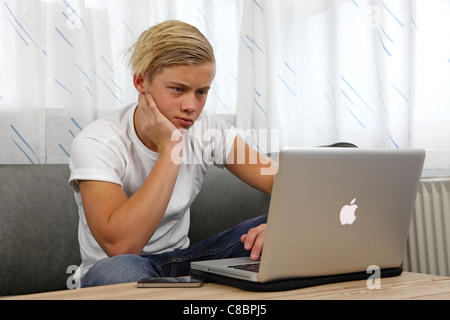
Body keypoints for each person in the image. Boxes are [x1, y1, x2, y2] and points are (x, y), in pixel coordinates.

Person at [69, 20, 277, 287]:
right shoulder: (96, 142)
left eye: (201, 92)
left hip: (184, 262)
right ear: (141, 82)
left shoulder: (208, 129)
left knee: (280, 226)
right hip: (121, 267)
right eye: (178, 90)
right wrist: (171, 148)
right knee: (117, 272)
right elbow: (121, 246)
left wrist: (281, 228)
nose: (191, 106)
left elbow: (281, 182)